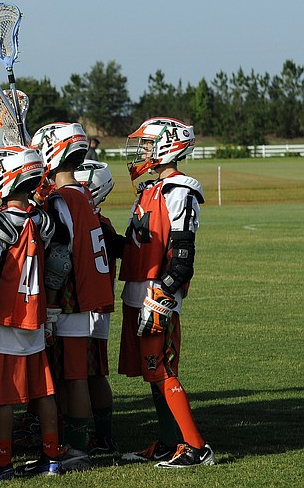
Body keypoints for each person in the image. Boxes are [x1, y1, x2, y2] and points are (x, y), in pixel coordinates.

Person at [0, 146, 83, 480]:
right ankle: (52, 456)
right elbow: (61, 252)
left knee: (3, 396)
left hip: (3, 316)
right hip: (35, 313)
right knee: (43, 389)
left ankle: (3, 461)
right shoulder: (43, 220)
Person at [118, 118, 216, 468]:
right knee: (151, 374)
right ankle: (169, 441)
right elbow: (136, 245)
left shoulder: (179, 190)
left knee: (161, 370)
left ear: (168, 145)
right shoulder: (151, 188)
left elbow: (183, 258)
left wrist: (164, 293)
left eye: (148, 144)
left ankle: (196, 446)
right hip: (138, 290)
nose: (142, 150)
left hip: (156, 295)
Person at [30, 122, 114, 469]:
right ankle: (96, 437)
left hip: (72, 297)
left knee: (74, 375)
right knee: (81, 373)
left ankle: (77, 447)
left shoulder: (61, 200)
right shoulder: (83, 194)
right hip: (90, 293)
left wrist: (50, 304)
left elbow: (61, 259)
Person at [74, 159, 122, 455]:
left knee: (89, 373)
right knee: (89, 373)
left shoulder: (96, 224)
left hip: (90, 307)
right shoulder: (101, 223)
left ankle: (103, 436)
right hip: (95, 305)